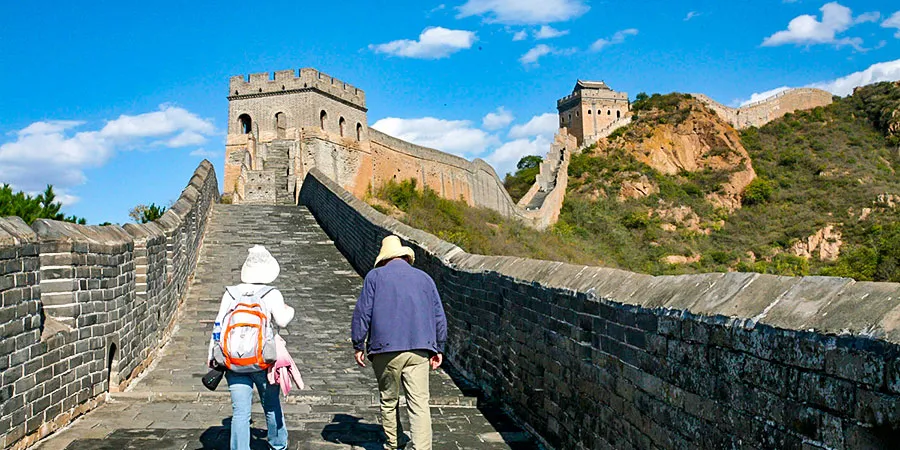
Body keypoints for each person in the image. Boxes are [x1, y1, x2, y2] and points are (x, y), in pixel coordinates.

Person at [351, 235, 448, 450]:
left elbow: (362, 313)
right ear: (405, 257)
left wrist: (358, 344)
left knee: (388, 400)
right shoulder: (424, 278)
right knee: (419, 404)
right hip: (420, 348)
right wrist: (438, 347)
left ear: (384, 258)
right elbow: (439, 315)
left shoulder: (374, 277)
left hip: (385, 349)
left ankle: (393, 444)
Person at [208, 245, 295, 450]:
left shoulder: (231, 293)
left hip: (234, 362)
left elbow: (218, 324)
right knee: (271, 405)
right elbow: (282, 321)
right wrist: (289, 310)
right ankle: (278, 444)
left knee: (240, 413)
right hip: (263, 361)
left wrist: (212, 353)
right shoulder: (271, 293)